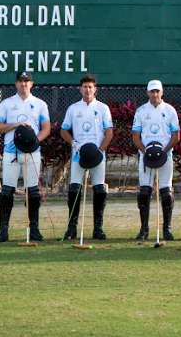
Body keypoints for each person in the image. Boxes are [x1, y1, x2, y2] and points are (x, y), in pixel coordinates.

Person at [0, 70, 52, 242]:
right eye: (20, 81)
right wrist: (16, 125)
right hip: (11, 152)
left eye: (26, 81)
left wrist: (34, 141)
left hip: (32, 153)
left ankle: (34, 230)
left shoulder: (40, 104)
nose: (23, 84)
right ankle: (3, 231)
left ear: (31, 84)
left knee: (32, 193)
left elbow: (46, 128)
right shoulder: (7, 103)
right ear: (16, 84)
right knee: (6, 193)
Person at [59, 74, 114, 240]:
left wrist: (100, 150)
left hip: (97, 157)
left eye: (90, 87)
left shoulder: (103, 108)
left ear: (95, 89)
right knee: (74, 190)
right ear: (80, 89)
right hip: (78, 157)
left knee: (99, 190)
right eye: (85, 87)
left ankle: (98, 228)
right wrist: (74, 143)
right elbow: (64, 131)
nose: (87, 90)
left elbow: (109, 132)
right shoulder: (73, 108)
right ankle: (72, 229)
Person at [131, 79, 180, 241]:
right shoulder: (141, 111)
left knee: (166, 192)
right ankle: (144, 229)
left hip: (165, 157)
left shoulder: (170, 110)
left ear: (162, 92)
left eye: (157, 91)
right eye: (152, 91)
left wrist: (163, 153)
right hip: (146, 158)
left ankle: (167, 229)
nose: (155, 94)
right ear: (147, 93)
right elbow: (136, 136)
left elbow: (175, 136)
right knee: (144, 192)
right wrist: (146, 153)